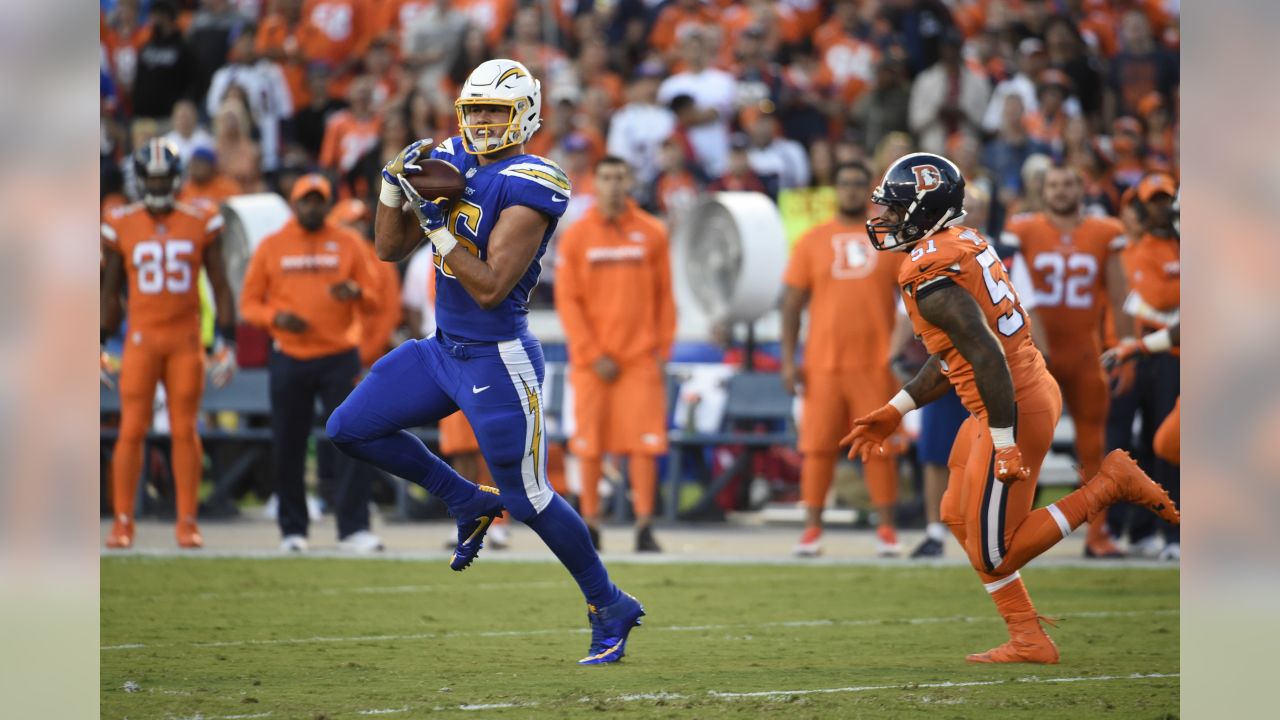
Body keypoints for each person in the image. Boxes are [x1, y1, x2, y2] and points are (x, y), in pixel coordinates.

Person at [324, 59, 646, 665]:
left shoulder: (537, 178)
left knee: (528, 496)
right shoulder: (450, 155)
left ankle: (609, 604)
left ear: (525, 113)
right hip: (443, 348)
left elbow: (493, 285)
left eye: (495, 111)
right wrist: (394, 187)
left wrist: (438, 226)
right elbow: (390, 249)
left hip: (499, 356)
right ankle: (467, 499)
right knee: (349, 427)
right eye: (474, 111)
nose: (482, 123)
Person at [845, 152, 1178, 663]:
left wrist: (1004, 441)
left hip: (1012, 403)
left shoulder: (931, 273)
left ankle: (1111, 482)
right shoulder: (962, 243)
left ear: (925, 209)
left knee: (997, 550)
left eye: (896, 209)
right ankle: (1028, 636)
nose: (885, 219)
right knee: (956, 514)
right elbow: (953, 355)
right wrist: (897, 408)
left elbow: (986, 356)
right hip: (1011, 395)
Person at [101, 140, 238, 549]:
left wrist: (226, 341)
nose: (158, 184)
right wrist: (98, 341)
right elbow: (110, 291)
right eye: (152, 178)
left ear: (175, 179)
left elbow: (219, 283)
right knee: (131, 429)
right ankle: (123, 522)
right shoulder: (120, 222)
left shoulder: (201, 218)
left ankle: (186, 521)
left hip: (184, 340)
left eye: (164, 177)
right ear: (141, 180)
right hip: (141, 340)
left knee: (184, 430)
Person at [239, 174, 385, 554]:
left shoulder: (348, 242)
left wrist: (355, 291)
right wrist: (276, 318)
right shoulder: (272, 246)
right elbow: (249, 304)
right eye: (306, 200)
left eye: (319, 200)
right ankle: (293, 529)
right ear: (294, 203)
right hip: (290, 354)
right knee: (288, 443)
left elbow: (374, 297)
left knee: (353, 438)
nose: (313, 206)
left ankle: (354, 528)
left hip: (339, 355)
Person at [1001, 163, 1132, 558]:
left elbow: (1118, 295)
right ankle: (1008, 533)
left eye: (1067, 184)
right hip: (1033, 354)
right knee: (1021, 444)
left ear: (1082, 187)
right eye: (1053, 185)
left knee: (1094, 446)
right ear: (1043, 190)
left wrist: (1126, 348)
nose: (1059, 191)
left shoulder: (1105, 231)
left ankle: (1097, 535)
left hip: (1083, 353)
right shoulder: (1021, 230)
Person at [781, 161, 904, 557]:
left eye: (857, 184)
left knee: (879, 446)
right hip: (823, 364)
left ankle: (886, 529)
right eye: (844, 183)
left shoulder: (888, 237)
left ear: (868, 190)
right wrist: (788, 359)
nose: (850, 190)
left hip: (874, 363)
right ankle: (811, 530)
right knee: (817, 447)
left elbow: (912, 295)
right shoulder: (811, 240)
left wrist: (901, 348)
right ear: (835, 189)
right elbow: (792, 304)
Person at [555, 155, 676, 553]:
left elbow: (665, 298)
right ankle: (590, 522)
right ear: (594, 183)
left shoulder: (652, 232)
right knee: (589, 444)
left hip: (640, 358)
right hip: (593, 364)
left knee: (644, 445)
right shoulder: (575, 236)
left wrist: (662, 350)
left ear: (629, 182)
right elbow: (568, 302)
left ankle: (644, 525)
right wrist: (591, 353)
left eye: (619, 177)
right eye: (605, 177)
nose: (612, 184)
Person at [1105, 173, 1181, 560]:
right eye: (1151, 202)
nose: (1160, 209)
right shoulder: (1135, 249)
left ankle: (1160, 528)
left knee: (1164, 442)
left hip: (1168, 355)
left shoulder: (1177, 245)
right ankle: (1122, 525)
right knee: (1132, 442)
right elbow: (1160, 298)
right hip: (1143, 355)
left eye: (1165, 200)